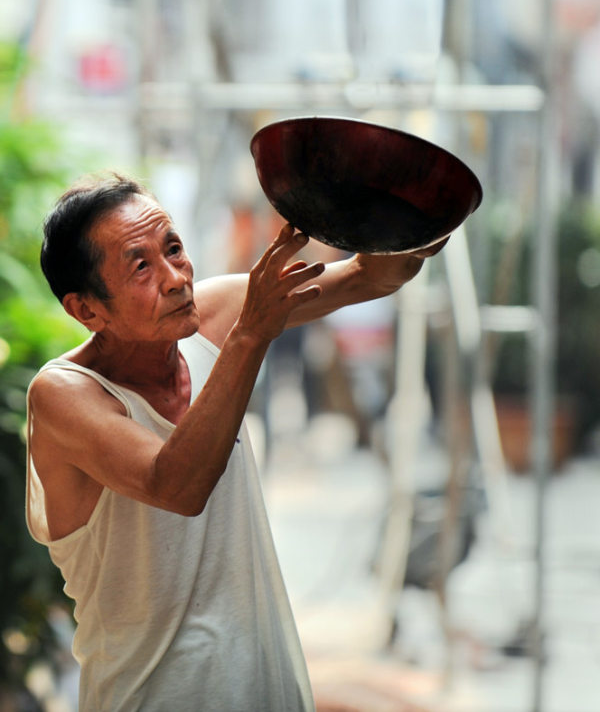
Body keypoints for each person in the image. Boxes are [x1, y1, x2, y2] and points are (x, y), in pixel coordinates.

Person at [25, 172, 445, 711]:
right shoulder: (63, 395)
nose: (176, 278)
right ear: (86, 310)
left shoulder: (213, 312)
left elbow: (370, 277)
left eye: (173, 249)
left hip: (267, 687)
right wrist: (251, 333)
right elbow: (177, 486)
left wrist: (411, 216)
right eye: (141, 267)